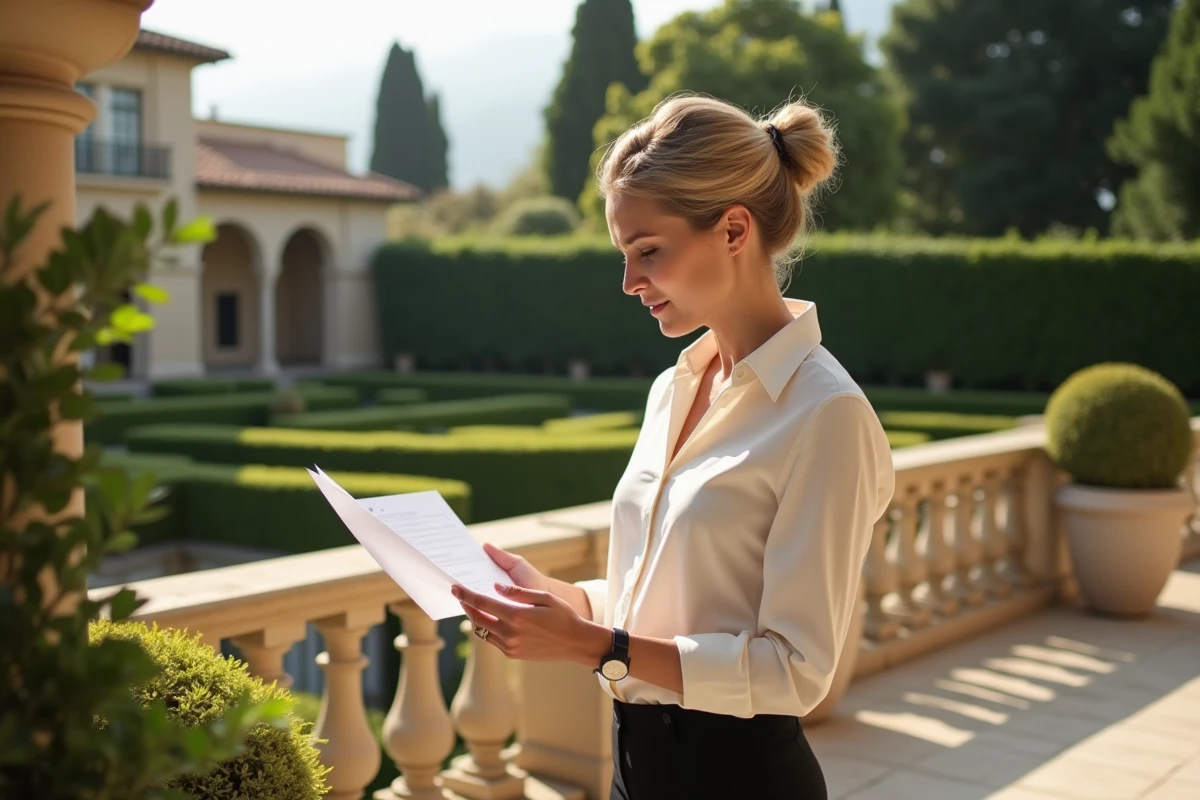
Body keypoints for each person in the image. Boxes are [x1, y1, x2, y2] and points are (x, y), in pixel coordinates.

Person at [451, 94, 896, 800]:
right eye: (624, 255)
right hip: (635, 767)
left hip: (741, 778)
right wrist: (562, 601)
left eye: (647, 252)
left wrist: (594, 647)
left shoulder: (826, 415)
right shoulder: (674, 387)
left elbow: (796, 670)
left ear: (733, 230)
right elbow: (677, 595)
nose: (629, 283)